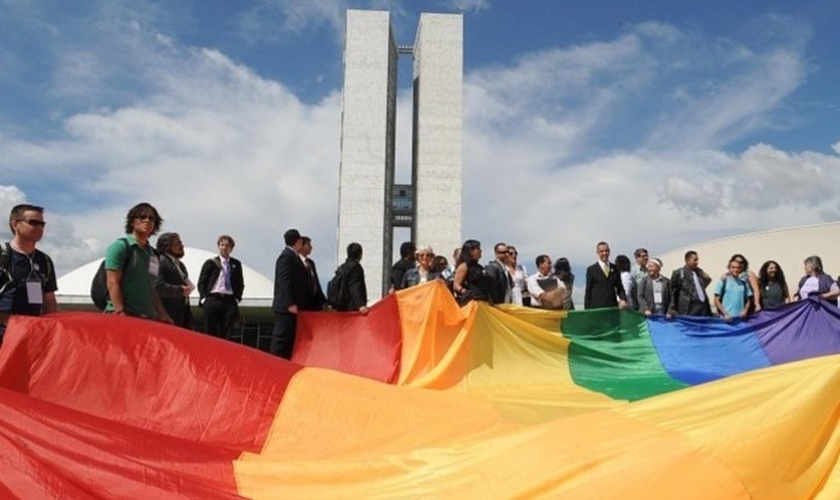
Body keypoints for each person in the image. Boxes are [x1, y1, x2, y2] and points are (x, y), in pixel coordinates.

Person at [0, 204, 57, 344]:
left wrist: (50, 330)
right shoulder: (2, 255)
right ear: (15, 225)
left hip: (33, 335)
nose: (39, 228)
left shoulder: (45, 260)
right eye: (33, 223)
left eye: (42, 224)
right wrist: (10, 322)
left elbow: (49, 300)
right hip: (4, 333)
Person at [105, 202, 171, 323]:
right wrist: (120, 312)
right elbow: (112, 282)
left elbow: (152, 287)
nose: (147, 220)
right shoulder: (120, 247)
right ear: (132, 222)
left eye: (151, 218)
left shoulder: (153, 254)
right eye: (141, 217)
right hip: (122, 316)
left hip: (147, 317)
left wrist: (162, 313)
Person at [271, 229, 310, 358]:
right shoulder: (286, 257)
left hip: (294, 308)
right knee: (282, 340)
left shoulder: (294, 257)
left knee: (290, 341)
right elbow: (284, 281)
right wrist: (290, 303)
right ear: (298, 241)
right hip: (286, 308)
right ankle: (275, 367)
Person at [197, 235, 244, 339]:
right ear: (218, 247)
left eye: (227, 245)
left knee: (226, 332)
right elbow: (202, 282)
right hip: (213, 299)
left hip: (229, 300)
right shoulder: (210, 263)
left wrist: (237, 298)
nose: (224, 247)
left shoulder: (236, 264)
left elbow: (240, 282)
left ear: (231, 248)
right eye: (222, 245)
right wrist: (204, 298)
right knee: (210, 331)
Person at [155, 232, 194, 329]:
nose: (182, 246)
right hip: (168, 314)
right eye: (178, 243)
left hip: (182, 314)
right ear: (167, 246)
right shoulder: (161, 261)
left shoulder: (180, 265)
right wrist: (180, 290)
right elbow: (157, 285)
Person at [584, 241, 627, 309]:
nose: (604, 253)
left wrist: (623, 300)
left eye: (606, 251)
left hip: (612, 308)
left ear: (609, 251)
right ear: (597, 252)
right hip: (596, 308)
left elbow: (620, 288)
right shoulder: (591, 270)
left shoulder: (615, 268)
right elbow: (588, 291)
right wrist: (587, 310)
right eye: (601, 251)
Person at [668, 250, 712, 317]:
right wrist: (672, 309)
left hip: (702, 308)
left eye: (697, 260)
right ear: (687, 260)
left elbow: (702, 287)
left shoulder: (699, 272)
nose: (697, 262)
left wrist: (706, 277)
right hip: (688, 308)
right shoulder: (679, 273)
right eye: (694, 260)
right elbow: (673, 292)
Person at [713, 256, 753, 321]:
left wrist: (745, 310)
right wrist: (725, 314)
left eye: (738, 268)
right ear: (729, 268)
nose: (736, 270)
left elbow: (749, 299)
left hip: (740, 319)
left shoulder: (744, 282)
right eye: (733, 267)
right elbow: (716, 300)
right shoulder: (723, 281)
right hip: (726, 318)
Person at [452, 239, 490, 306]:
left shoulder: (479, 267)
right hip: (470, 303)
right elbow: (456, 285)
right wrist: (466, 293)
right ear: (470, 251)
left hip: (482, 301)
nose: (480, 251)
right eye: (478, 248)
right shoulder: (464, 266)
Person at [299, 236, 327, 310]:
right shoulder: (295, 261)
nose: (311, 247)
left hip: (314, 303)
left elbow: (316, 283)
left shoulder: (311, 263)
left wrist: (323, 301)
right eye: (308, 244)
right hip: (302, 302)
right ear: (301, 246)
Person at [341, 242, 369, 313]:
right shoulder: (356, 267)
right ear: (360, 254)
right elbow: (355, 286)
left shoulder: (342, 267)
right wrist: (360, 305)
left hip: (342, 305)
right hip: (352, 306)